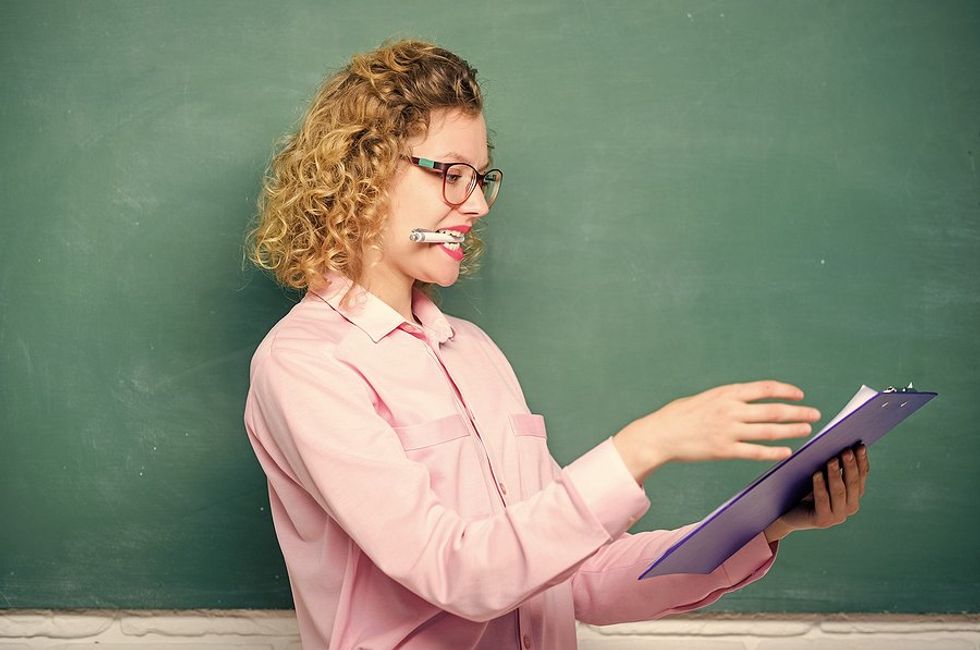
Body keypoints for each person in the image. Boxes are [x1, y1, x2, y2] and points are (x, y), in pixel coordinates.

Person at [243, 39, 870, 650]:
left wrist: (770, 520)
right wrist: (645, 446)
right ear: (365, 170)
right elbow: (456, 573)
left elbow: (579, 580)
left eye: (481, 178)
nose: (477, 204)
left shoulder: (474, 352)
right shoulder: (304, 363)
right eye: (451, 175)